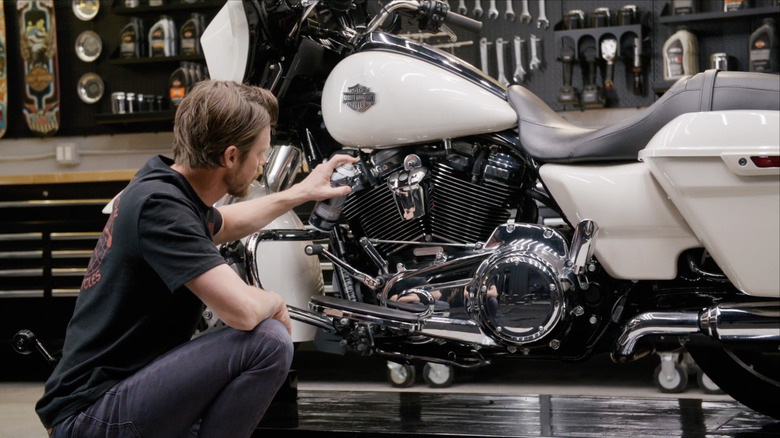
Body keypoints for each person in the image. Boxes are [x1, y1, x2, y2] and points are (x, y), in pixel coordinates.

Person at [35, 80, 355, 437]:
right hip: (90, 417)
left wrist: (301, 192)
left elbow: (227, 222)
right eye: (260, 153)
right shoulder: (161, 208)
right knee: (268, 341)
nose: (263, 162)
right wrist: (276, 302)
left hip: (113, 398)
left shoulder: (163, 186)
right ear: (230, 157)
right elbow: (243, 311)